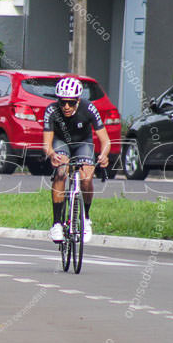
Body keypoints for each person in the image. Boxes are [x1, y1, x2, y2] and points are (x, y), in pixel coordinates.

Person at [42, 76, 110, 244]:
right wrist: (52, 154)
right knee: (60, 172)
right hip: (61, 142)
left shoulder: (89, 108)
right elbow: (47, 144)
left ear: (78, 100)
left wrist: (104, 154)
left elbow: (106, 140)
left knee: (86, 178)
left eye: (71, 103)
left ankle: (86, 219)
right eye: (63, 102)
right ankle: (57, 223)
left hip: (82, 142)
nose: (66, 106)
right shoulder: (51, 111)